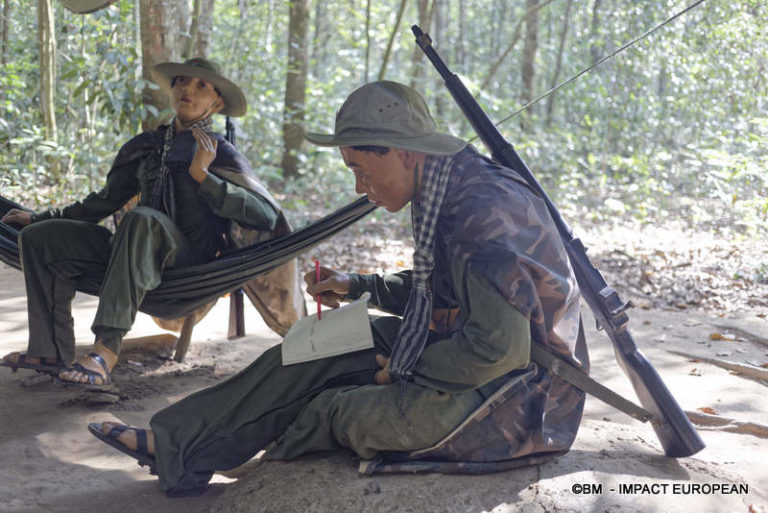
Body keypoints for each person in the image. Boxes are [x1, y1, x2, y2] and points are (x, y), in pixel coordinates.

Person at [87, 80, 588, 496]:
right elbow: (443, 287)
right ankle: (175, 442)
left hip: (522, 396)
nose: (358, 187)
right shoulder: (445, 186)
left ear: (403, 154)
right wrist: (356, 285)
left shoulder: (482, 210)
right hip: (474, 352)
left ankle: (252, 468)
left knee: (338, 410)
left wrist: (407, 367)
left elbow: (499, 349)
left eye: (361, 170)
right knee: (317, 346)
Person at [1, 58, 304, 386]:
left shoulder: (220, 152)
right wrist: (40, 217)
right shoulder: (147, 146)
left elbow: (265, 215)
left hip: (188, 266)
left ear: (217, 103)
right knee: (40, 237)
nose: (187, 89)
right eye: (181, 81)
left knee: (141, 219)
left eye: (201, 85)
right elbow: (103, 201)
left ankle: (105, 351)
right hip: (131, 251)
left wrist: (204, 177)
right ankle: (48, 351)